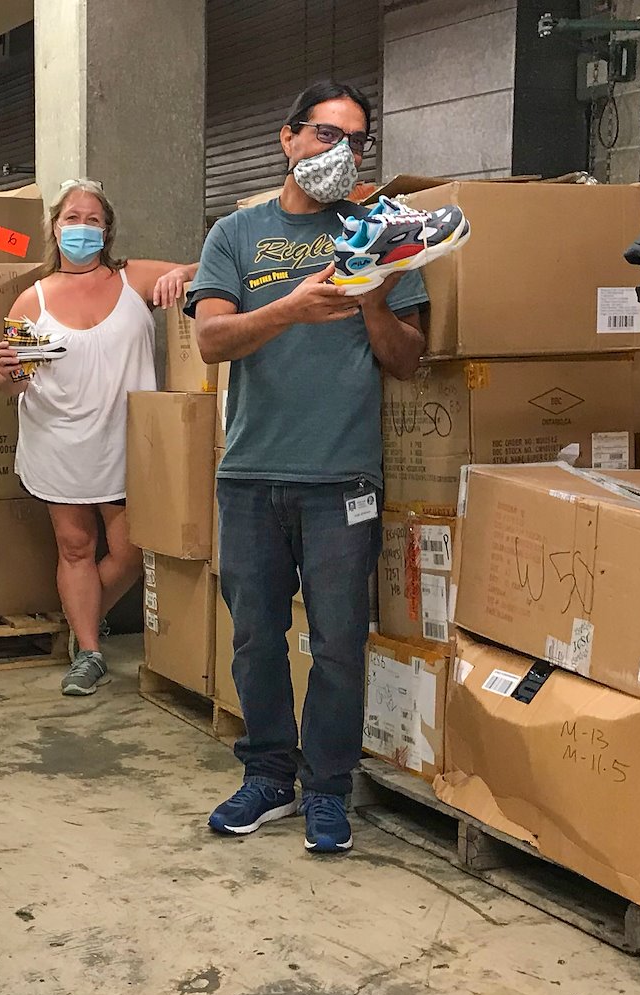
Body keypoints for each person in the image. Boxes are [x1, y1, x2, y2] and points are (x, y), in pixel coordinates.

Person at [186, 82, 428, 854]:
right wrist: (290, 306)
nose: (340, 153)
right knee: (255, 635)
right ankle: (267, 774)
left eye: (356, 141)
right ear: (289, 138)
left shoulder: (386, 234)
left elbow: (408, 363)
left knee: (336, 643)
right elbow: (212, 343)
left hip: (342, 479)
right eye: (326, 135)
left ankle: (327, 790)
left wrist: (375, 300)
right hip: (252, 473)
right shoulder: (235, 234)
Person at [0, 179, 196, 697]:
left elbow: (206, 271)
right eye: (71, 218)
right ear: (55, 228)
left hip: (128, 438)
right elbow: (12, 378)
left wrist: (181, 277)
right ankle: (89, 651)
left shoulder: (133, 280)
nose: (81, 227)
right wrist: (5, 371)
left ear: (106, 231)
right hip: (57, 437)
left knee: (131, 550)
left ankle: (80, 618)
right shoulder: (31, 300)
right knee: (75, 545)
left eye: (92, 219)